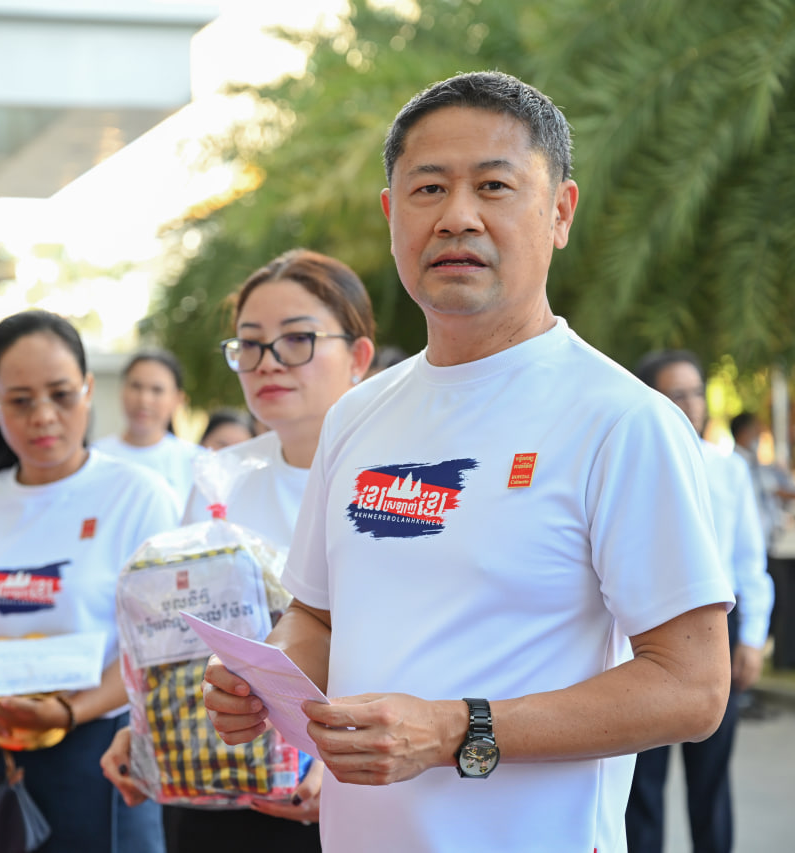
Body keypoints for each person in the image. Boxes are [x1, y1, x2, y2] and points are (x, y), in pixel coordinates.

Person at [202, 71, 734, 851]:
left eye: (493, 186)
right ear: (392, 215)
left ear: (560, 212)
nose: (456, 216)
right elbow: (317, 615)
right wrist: (265, 675)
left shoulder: (621, 421)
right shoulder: (358, 415)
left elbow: (692, 686)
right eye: (428, 189)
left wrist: (457, 728)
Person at [102, 249, 376, 850]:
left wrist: (336, 757)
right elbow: (184, 640)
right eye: (249, 344)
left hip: (351, 789)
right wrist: (145, 730)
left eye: (297, 339)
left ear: (358, 357)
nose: (268, 361)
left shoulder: (395, 485)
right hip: (218, 786)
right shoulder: (220, 478)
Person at [0, 310, 180, 853]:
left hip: (106, 751)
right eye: (20, 401)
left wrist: (70, 711)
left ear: (87, 390)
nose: (44, 417)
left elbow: (163, 647)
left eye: (60, 394)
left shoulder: (138, 496)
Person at [626, 351, 773, 853]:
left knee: (711, 781)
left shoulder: (728, 469)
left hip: (715, 633)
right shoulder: (629, 467)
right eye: (676, 395)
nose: (690, 404)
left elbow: (750, 560)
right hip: (641, 637)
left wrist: (751, 640)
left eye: (696, 393)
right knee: (641, 785)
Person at [92, 350, 202, 504]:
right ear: (122, 390)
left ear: (177, 399)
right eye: (136, 387)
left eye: (157, 390)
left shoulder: (198, 464)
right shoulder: (94, 457)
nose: (144, 400)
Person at [731, 412, 795, 671]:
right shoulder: (735, 465)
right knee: (778, 602)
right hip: (759, 547)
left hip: (769, 544)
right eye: (757, 432)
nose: (760, 437)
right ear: (744, 433)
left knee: (779, 600)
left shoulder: (758, 466)